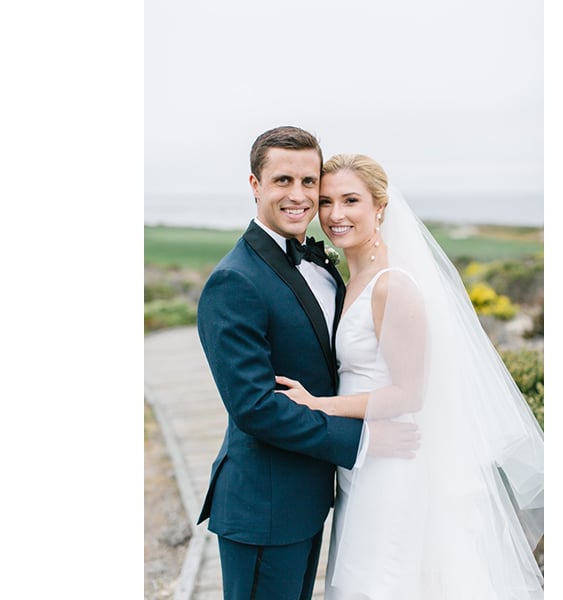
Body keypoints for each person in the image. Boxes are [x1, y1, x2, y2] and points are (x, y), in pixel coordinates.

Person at [278, 154, 545, 599]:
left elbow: (407, 393)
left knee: (388, 578)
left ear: (380, 207)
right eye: (326, 201)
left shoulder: (392, 284)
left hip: (395, 463)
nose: (335, 214)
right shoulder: (353, 277)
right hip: (363, 456)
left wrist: (320, 405)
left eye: (351, 200)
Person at [195, 128, 418, 600]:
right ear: (255, 185)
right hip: (264, 504)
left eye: (307, 181)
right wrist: (365, 440)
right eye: (282, 181)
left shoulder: (325, 268)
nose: (298, 196)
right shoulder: (234, 281)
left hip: (315, 497)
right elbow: (255, 407)